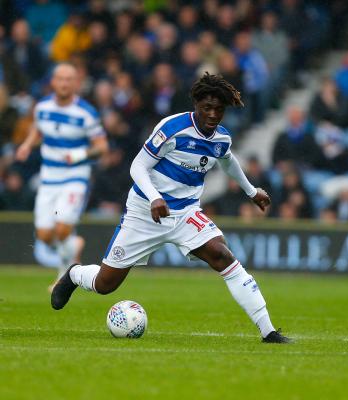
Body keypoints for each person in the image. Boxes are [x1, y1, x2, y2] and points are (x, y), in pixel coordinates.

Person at [50, 73, 290, 344]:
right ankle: (74, 274)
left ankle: (268, 331)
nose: (212, 115)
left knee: (222, 255)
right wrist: (154, 197)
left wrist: (251, 191)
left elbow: (227, 160)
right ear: (195, 105)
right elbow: (138, 166)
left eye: (218, 110)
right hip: (144, 212)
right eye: (206, 108)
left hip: (186, 213)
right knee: (105, 284)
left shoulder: (221, 138)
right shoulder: (172, 128)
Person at [15, 63, 109, 285]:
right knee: (45, 236)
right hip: (49, 177)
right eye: (60, 79)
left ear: (76, 83)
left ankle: (63, 273)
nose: (64, 83)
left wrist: (79, 155)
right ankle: (74, 247)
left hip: (75, 175)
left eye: (69, 79)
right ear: (53, 82)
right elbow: (38, 128)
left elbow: (102, 146)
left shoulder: (86, 112)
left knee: (63, 227)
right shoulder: (42, 108)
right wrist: (27, 145)